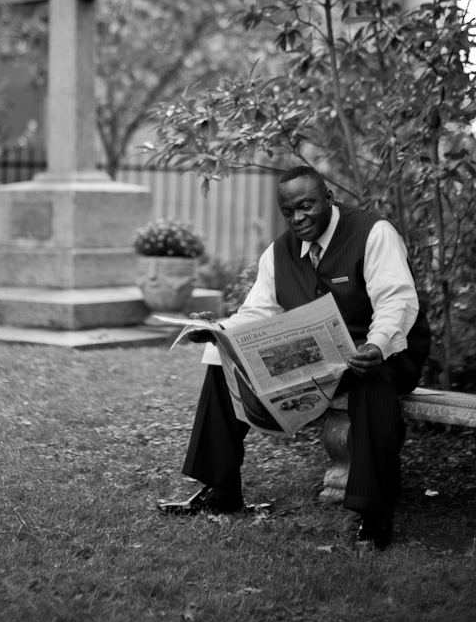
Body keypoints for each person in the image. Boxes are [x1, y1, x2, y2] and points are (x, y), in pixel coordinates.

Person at [158, 165, 431, 549]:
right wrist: (220, 332)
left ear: (328, 199)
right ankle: (221, 490)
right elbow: (258, 312)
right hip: (317, 352)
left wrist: (377, 344)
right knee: (223, 364)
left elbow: (396, 301)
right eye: (289, 212)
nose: (298, 218)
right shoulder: (279, 252)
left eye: (307, 206)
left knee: (374, 378)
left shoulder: (373, 232)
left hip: (383, 349)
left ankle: (374, 515)